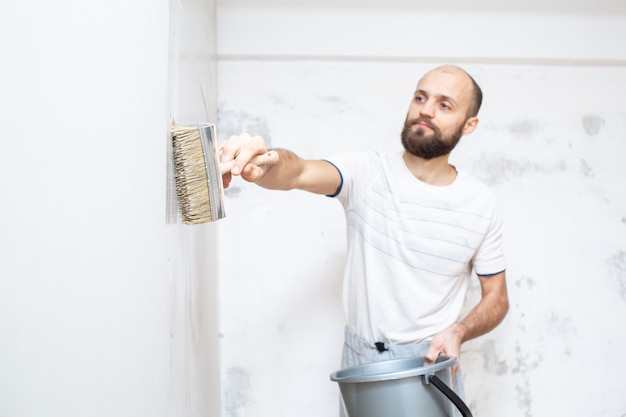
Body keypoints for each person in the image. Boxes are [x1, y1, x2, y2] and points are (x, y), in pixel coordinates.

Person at [219, 65, 509, 406]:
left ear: (469, 125)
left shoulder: (480, 203)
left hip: (432, 364)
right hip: (361, 363)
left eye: (445, 104)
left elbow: (497, 297)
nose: (426, 110)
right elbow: (296, 170)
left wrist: (458, 331)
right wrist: (263, 161)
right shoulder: (366, 173)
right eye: (420, 97)